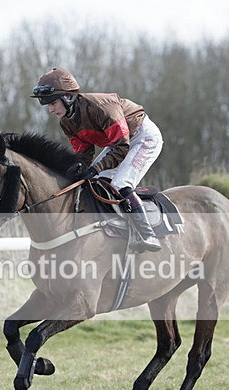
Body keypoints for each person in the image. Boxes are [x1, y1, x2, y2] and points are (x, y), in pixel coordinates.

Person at [30, 67, 163, 253]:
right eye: (47, 105)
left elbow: (122, 147)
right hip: (118, 142)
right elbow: (84, 153)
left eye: (52, 103)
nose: (50, 109)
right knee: (94, 182)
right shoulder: (67, 122)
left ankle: (148, 234)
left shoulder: (101, 108)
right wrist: (75, 170)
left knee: (120, 183)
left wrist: (95, 168)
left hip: (142, 137)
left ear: (67, 97)